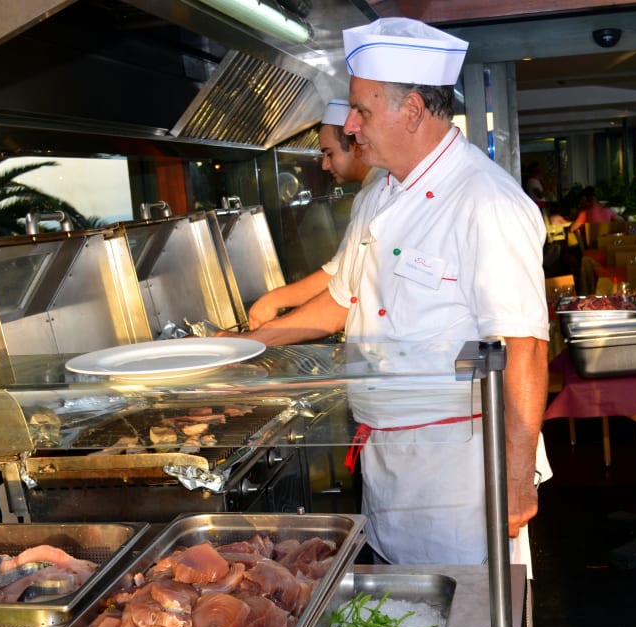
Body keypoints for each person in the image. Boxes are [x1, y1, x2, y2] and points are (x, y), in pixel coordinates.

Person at [235, 18, 550, 566]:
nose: (351, 126)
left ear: (411, 111)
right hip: (389, 462)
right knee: (405, 623)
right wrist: (246, 344)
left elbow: (524, 347)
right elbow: (343, 297)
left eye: (362, 109)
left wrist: (518, 480)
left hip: (461, 474)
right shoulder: (378, 192)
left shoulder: (486, 202)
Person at [247, 100, 380, 329]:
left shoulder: (377, 191)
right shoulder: (372, 190)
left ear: (357, 147)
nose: (325, 165)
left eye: (329, 154)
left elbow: (339, 273)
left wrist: (274, 300)